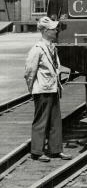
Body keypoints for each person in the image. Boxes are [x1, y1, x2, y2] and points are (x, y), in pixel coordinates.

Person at [24, 16, 72, 162]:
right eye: (53, 29)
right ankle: (37, 152)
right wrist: (32, 89)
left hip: (53, 88)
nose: (56, 30)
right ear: (45, 31)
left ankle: (56, 150)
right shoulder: (37, 49)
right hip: (42, 90)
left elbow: (54, 67)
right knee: (41, 121)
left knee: (55, 120)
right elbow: (29, 72)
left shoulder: (52, 47)